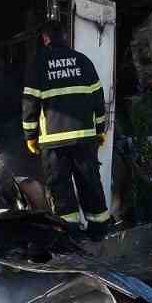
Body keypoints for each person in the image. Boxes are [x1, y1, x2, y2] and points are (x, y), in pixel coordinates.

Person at [22, 21, 111, 238]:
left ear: (45, 39)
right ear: (65, 36)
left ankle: (69, 233)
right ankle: (98, 230)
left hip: (54, 141)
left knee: (60, 187)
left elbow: (30, 103)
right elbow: (99, 100)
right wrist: (99, 130)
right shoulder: (83, 61)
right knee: (90, 182)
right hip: (85, 138)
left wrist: (30, 137)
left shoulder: (38, 64)